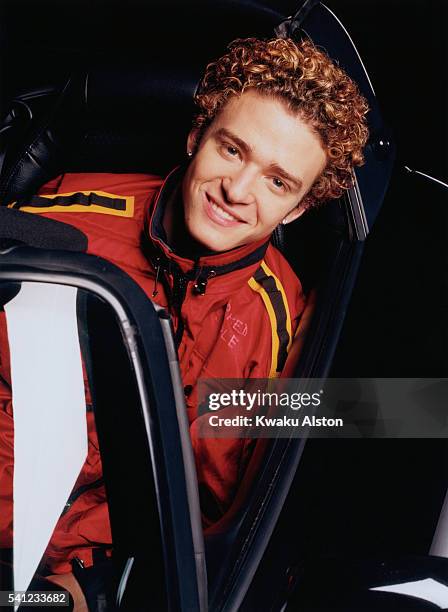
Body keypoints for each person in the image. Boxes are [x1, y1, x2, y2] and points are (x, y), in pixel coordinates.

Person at [0, 36, 368, 605]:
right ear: (197, 136)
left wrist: (87, 586)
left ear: (297, 207)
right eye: (231, 150)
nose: (236, 192)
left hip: (69, 579)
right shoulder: (64, 219)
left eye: (277, 181)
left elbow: (210, 516)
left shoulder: (275, 322)